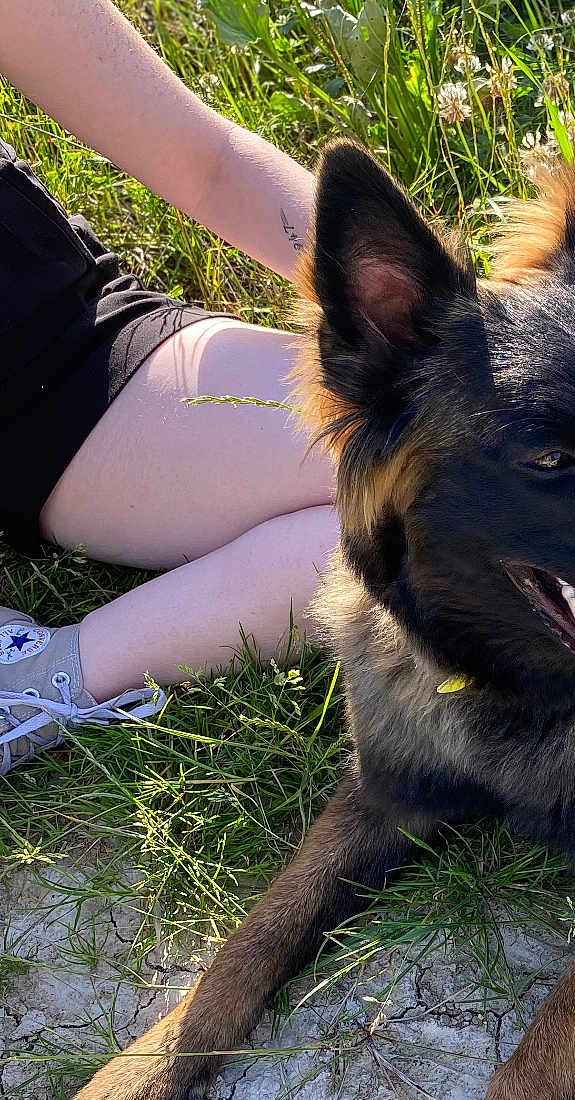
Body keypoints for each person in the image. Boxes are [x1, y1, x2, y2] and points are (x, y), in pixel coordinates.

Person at [0, 0, 339, 774]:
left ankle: (37, 680)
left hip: (61, 368)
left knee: (461, 471)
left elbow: (209, 162)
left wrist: (440, 324)